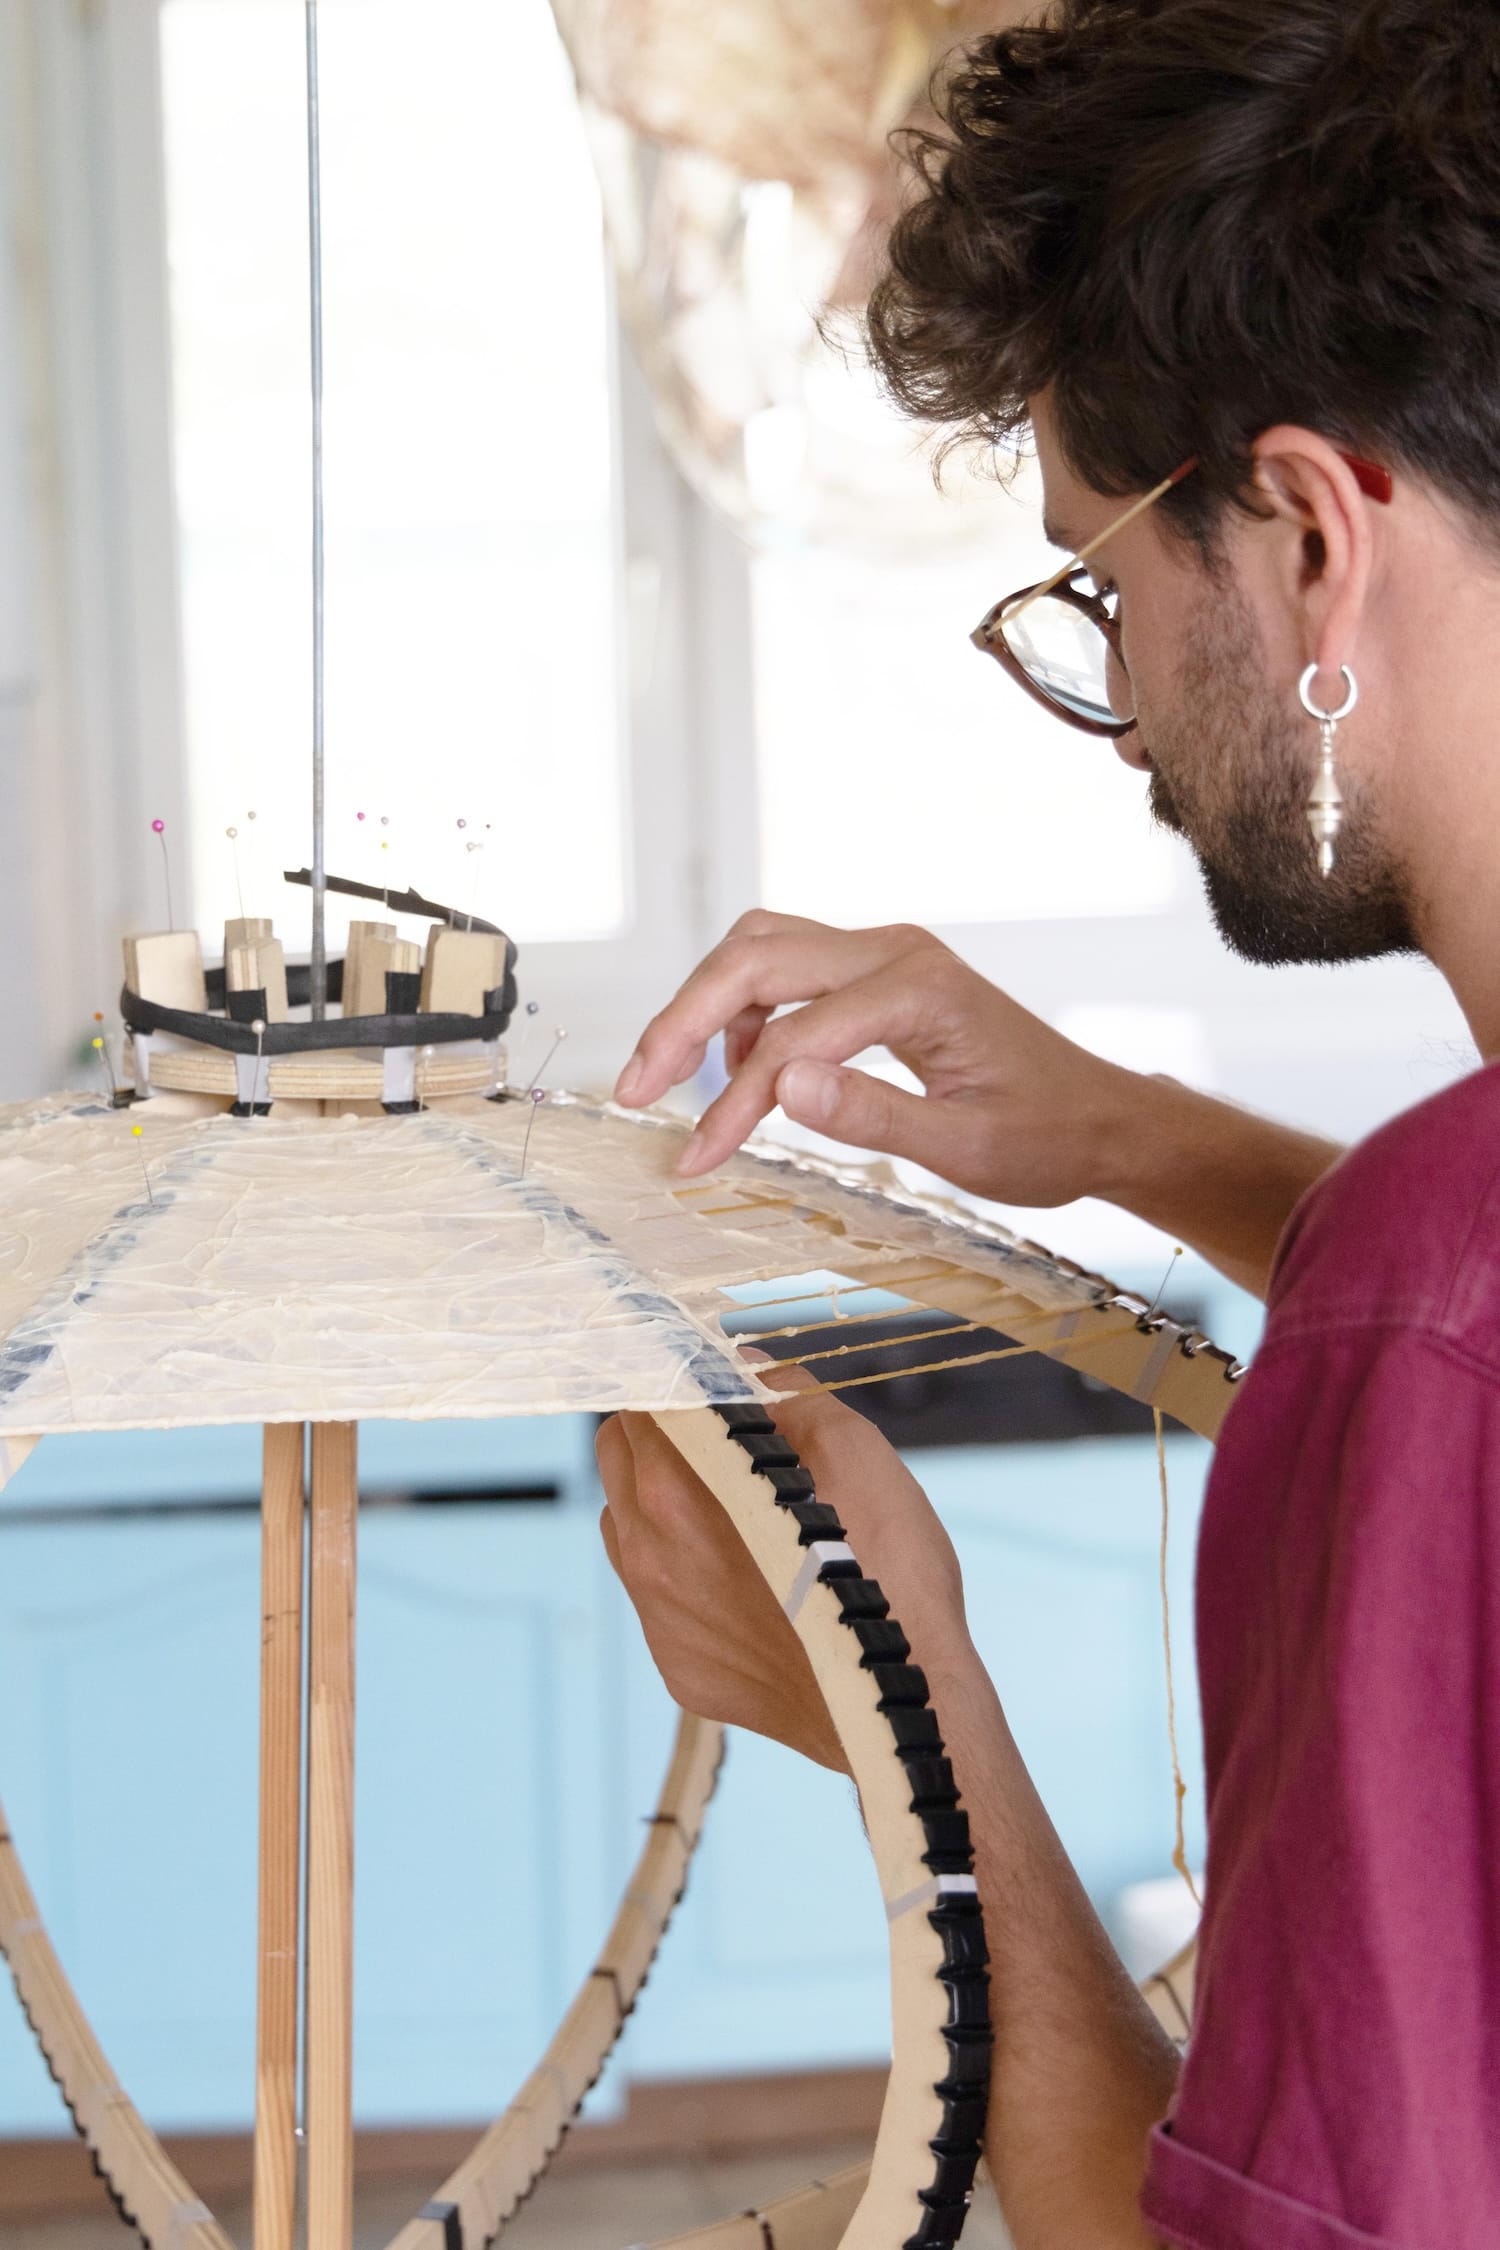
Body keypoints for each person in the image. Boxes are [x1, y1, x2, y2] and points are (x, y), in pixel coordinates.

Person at [597, 4, 1500, 2243]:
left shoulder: (1420, 1300)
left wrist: (905, 1702)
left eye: (1104, 587)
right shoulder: (1428, 1282)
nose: (1114, 715)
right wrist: (1126, 1132)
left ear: (1307, 534)